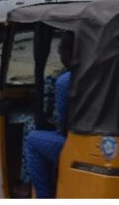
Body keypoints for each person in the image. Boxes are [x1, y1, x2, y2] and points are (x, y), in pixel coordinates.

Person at [24, 33, 75, 198]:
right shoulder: (104, 74)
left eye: (61, 54)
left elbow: (62, 125)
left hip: (77, 142)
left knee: (32, 139)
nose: (61, 59)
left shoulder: (65, 81)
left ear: (68, 53)